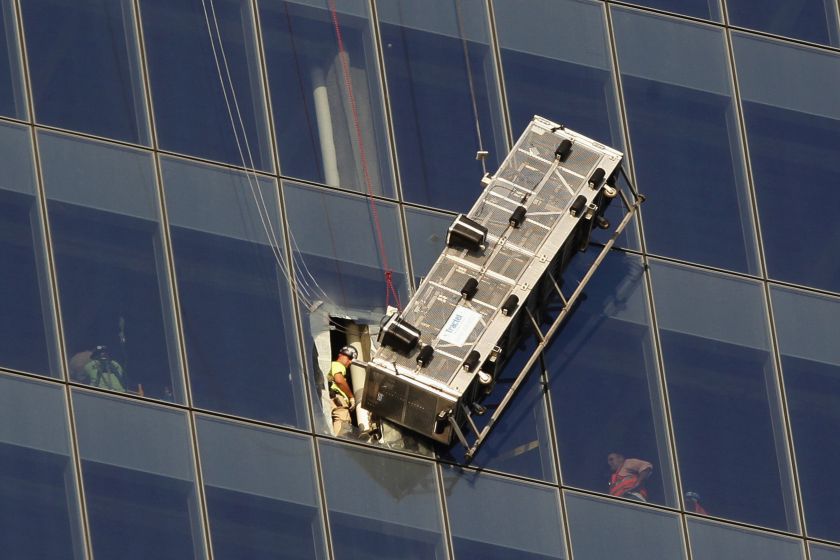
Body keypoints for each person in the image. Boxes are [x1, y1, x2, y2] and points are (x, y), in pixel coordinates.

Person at [328, 346, 358, 436]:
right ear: (341, 355)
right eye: (349, 358)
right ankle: (339, 446)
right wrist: (351, 396)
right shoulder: (338, 365)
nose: (350, 362)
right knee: (343, 423)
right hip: (336, 399)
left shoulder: (331, 366)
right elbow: (339, 380)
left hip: (331, 398)